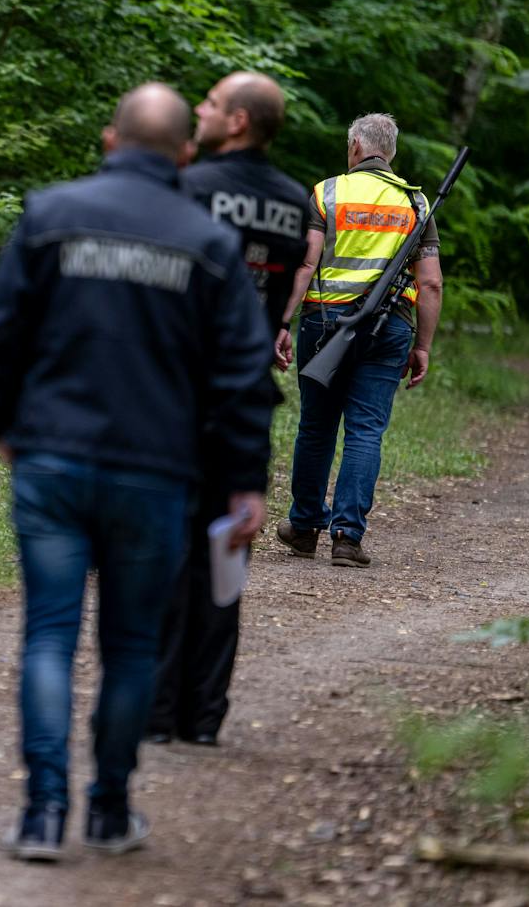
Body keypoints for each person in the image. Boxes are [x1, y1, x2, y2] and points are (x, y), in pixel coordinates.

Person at [0, 83, 275, 862]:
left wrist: (3, 426)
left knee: (48, 634)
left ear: (110, 141)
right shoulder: (207, 244)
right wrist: (245, 482)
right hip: (156, 471)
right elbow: (243, 375)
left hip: (54, 462)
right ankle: (107, 810)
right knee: (131, 646)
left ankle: (41, 812)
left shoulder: (50, 215)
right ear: (184, 153)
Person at [148, 72, 308, 748]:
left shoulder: (189, 190)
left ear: (237, 121)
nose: (202, 113)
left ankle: (155, 712)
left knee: (165, 553)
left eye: (211, 105)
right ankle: (204, 714)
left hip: (176, 394)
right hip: (246, 400)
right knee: (225, 556)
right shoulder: (296, 203)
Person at [273, 113, 444, 568]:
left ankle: (305, 526)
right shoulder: (417, 203)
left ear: (354, 147)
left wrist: (282, 321)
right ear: (390, 152)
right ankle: (347, 538)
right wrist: (423, 345)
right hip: (390, 330)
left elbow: (306, 265)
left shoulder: (327, 192)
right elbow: (431, 284)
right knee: (366, 430)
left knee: (316, 426)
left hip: (324, 324)